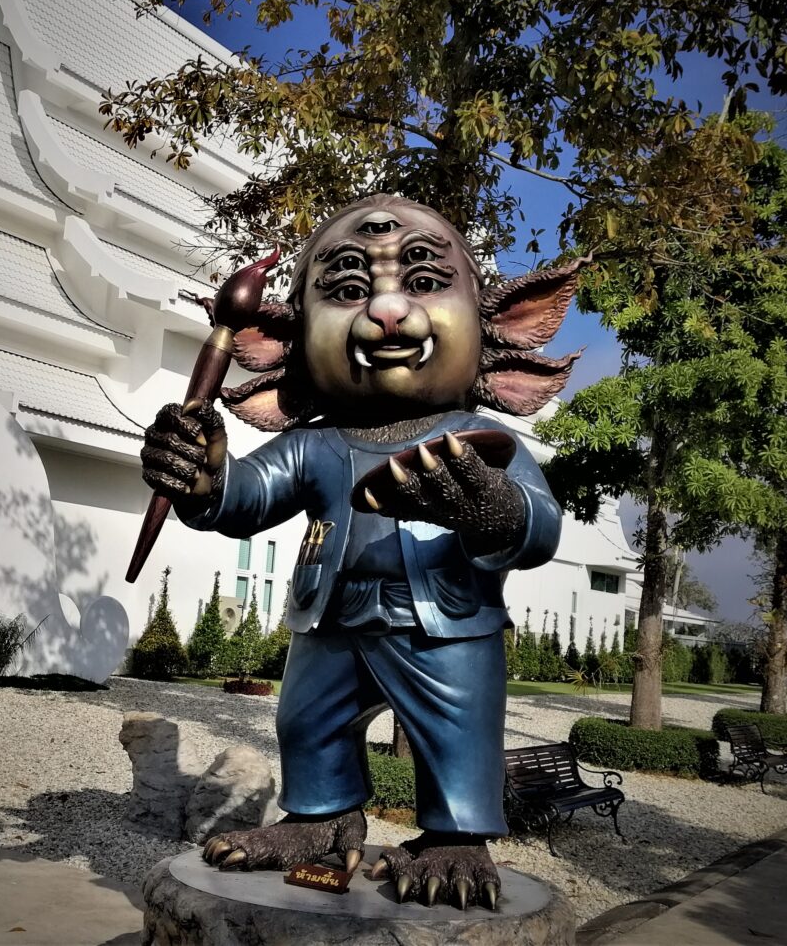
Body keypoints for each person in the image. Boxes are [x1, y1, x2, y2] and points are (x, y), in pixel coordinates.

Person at [141, 194, 582, 908]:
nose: (386, 311)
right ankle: (318, 817)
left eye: (425, 281)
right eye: (347, 290)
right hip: (334, 614)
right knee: (306, 718)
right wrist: (204, 477)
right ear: (297, 332)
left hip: (447, 618)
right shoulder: (316, 444)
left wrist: (494, 509)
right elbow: (247, 496)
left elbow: (541, 522)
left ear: (488, 318)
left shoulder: (483, 438)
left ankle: (456, 836)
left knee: (457, 721)